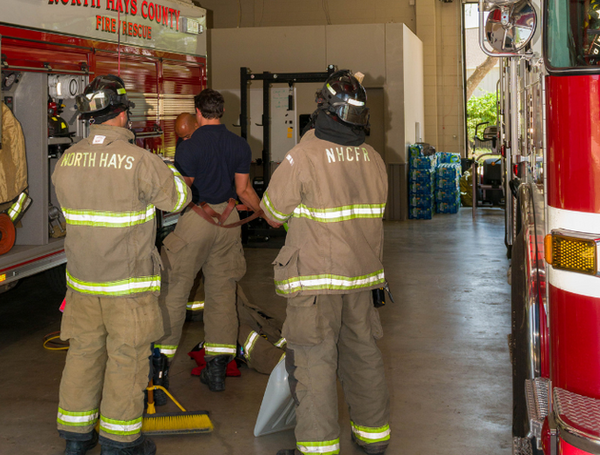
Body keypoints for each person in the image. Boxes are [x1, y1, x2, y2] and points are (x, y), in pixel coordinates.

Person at [52, 75, 191, 455]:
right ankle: (120, 442)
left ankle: (76, 439)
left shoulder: (67, 160)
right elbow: (178, 199)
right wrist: (168, 167)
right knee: (127, 358)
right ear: (121, 115)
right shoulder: (140, 160)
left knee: (83, 353)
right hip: (127, 285)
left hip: (82, 282)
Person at [261, 70, 390, 455]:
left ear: (323, 109)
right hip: (361, 278)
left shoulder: (303, 156)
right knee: (362, 352)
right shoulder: (373, 159)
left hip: (316, 282)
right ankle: (373, 438)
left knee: (315, 361)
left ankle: (317, 448)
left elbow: (270, 213)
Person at [154, 88, 262, 393]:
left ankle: (159, 370)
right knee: (223, 294)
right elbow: (244, 192)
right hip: (229, 223)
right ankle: (216, 370)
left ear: (198, 113)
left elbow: (181, 194)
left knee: (174, 291)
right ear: (222, 111)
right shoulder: (240, 145)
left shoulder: (189, 147)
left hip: (196, 221)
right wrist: (267, 215)